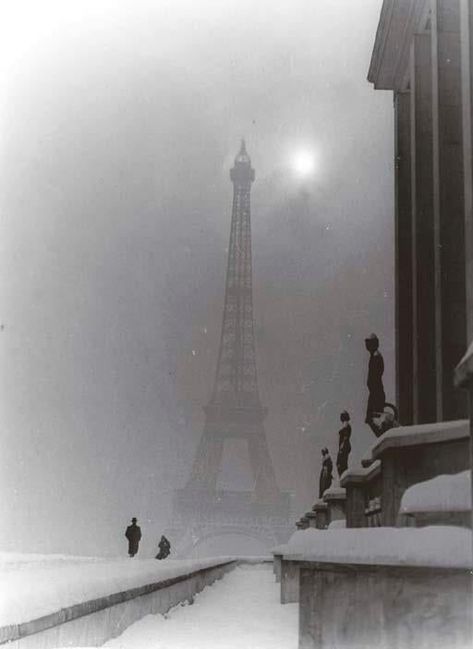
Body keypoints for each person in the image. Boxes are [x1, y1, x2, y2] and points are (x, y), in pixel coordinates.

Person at [364, 333, 386, 424]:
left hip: (376, 392)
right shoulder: (374, 356)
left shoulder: (376, 357)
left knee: (374, 418)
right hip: (374, 391)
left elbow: (375, 375)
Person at [336, 410, 352, 477]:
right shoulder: (345, 425)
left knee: (341, 464)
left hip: (344, 447)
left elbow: (345, 437)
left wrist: (342, 447)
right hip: (343, 446)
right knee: (340, 464)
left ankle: (343, 477)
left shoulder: (346, 425)